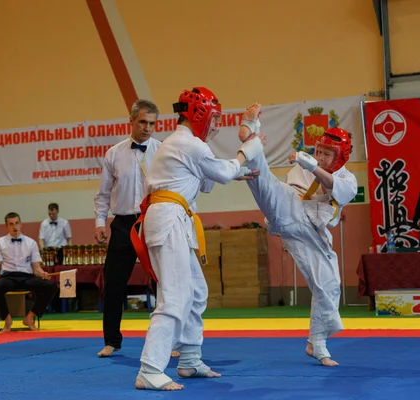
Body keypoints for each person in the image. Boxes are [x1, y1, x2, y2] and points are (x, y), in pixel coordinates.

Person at [132, 87, 263, 391]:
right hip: (168, 219)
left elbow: (206, 182)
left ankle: (189, 358)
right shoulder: (188, 143)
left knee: (196, 290)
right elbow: (224, 171)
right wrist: (249, 147)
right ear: (199, 115)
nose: (216, 125)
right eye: (214, 118)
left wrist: (233, 171)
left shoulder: (184, 144)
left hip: (175, 219)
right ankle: (150, 368)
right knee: (175, 296)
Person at [239, 103, 357, 367]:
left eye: (328, 154)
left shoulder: (347, 178)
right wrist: (308, 165)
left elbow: (335, 188)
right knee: (262, 180)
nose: (322, 157)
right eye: (320, 152)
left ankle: (317, 343)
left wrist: (313, 165)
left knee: (327, 286)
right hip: (290, 209)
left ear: (341, 156)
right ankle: (251, 135)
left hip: (313, 233)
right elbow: (289, 191)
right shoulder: (303, 166)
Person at [93, 99, 162, 358]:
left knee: (164, 282)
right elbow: (102, 195)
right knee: (113, 283)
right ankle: (112, 340)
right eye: (142, 122)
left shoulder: (163, 151)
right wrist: (100, 223)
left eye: (152, 123)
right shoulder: (114, 153)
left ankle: (172, 341)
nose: (147, 128)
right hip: (122, 224)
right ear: (131, 121)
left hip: (153, 219)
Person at [0, 212, 57, 332]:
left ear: (21, 224)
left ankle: (30, 317)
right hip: (8, 277)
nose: (14, 226)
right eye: (11, 224)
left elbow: (36, 267)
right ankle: (7, 318)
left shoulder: (31, 243)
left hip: (27, 277)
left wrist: (42, 273)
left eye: (16, 223)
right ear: (6, 226)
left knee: (50, 286)